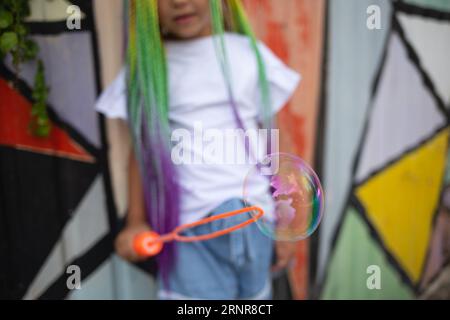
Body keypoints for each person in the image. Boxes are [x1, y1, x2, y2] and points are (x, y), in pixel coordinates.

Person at [96, 0, 301, 299]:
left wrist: (284, 220)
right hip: (189, 232)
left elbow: (274, 140)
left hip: (256, 223)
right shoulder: (151, 67)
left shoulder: (247, 54)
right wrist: (136, 221)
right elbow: (142, 152)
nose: (179, 2)